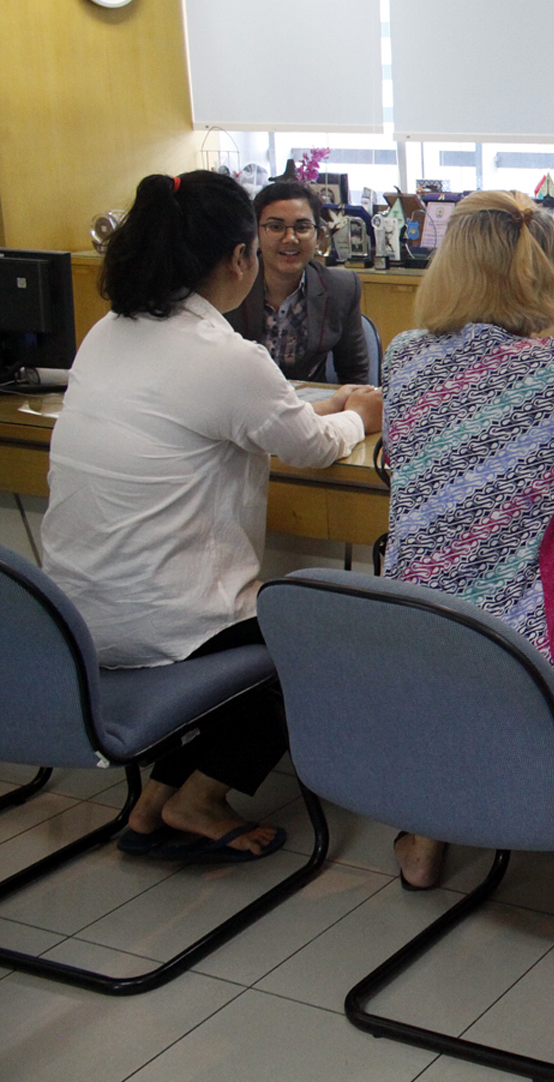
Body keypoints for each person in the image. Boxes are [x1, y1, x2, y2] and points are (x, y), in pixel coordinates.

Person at [42, 170, 382, 864]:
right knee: (314, 637)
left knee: (264, 618)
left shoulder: (108, 332)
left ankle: (151, 801)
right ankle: (199, 796)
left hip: (68, 618)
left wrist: (314, 409)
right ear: (238, 259)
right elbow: (311, 447)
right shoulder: (226, 356)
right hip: (162, 621)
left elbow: (241, 416)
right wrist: (358, 414)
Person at [380, 190, 554, 920]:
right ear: (549, 267)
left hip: (411, 650)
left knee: (457, 680)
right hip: (528, 657)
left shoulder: (403, 357)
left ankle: (429, 844)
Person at [223, 178, 372, 384]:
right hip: (240, 404)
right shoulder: (230, 283)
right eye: (275, 227)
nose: (290, 238)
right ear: (256, 234)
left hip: (311, 407)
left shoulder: (341, 288)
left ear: (318, 236)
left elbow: (355, 373)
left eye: (302, 227)